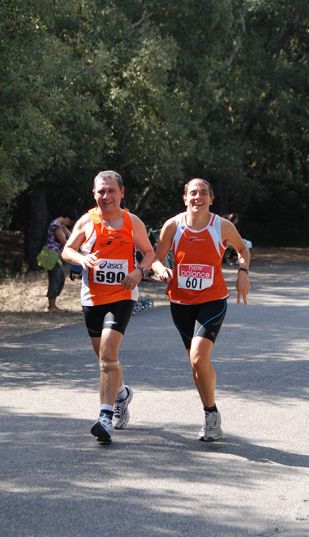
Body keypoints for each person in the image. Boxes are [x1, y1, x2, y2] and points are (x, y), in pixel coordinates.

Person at [152, 178, 250, 442]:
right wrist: (162, 271)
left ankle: (210, 415)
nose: (198, 197)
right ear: (185, 198)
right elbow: (156, 259)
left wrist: (242, 272)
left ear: (211, 199)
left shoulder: (222, 226)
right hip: (180, 303)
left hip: (213, 300)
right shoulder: (173, 226)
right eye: (193, 193)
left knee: (198, 358)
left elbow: (242, 250)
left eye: (203, 193)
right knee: (197, 364)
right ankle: (212, 412)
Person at [62, 171, 154, 444]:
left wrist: (139, 271)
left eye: (111, 191)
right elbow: (67, 250)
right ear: (94, 194)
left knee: (108, 352)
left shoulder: (131, 222)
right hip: (92, 297)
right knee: (105, 359)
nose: (106, 196)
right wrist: (82, 258)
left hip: (123, 294)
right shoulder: (86, 222)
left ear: (121, 193)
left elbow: (149, 253)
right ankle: (122, 394)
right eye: (101, 191)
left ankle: (105, 416)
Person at [45, 207, 78, 313]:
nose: (70, 223)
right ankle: (51, 306)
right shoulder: (56, 225)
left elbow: (71, 236)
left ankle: (53, 305)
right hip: (52, 256)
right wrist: (74, 246)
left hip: (57, 256)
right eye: (70, 221)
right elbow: (64, 240)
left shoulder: (61, 225)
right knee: (55, 279)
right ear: (66, 217)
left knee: (61, 278)